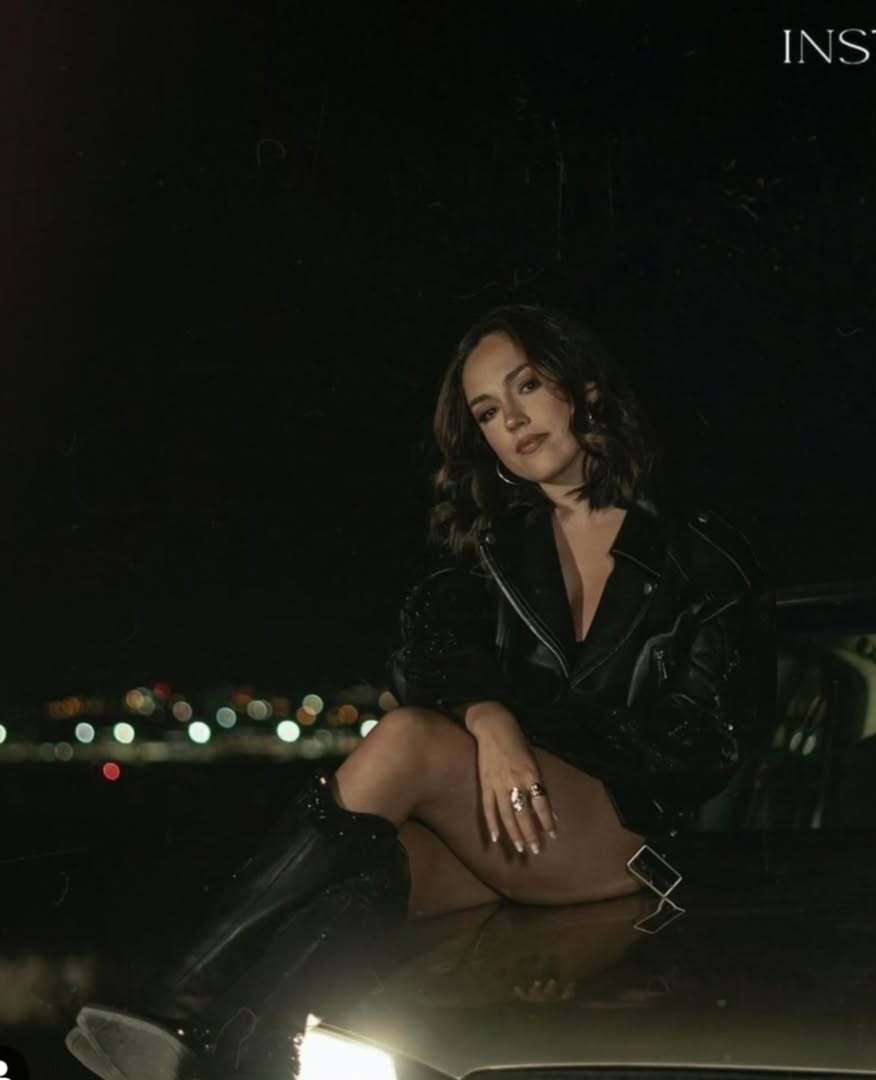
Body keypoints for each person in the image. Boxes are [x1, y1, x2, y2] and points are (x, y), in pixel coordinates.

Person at [69, 303, 770, 1079]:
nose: (513, 420)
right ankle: (236, 1054)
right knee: (365, 873)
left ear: (587, 390)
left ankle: (181, 1003)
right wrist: (492, 721)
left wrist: (530, 742)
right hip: (527, 830)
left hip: (637, 842)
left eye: (527, 385)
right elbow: (425, 657)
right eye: (488, 412)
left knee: (405, 740)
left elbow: (702, 746)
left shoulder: (699, 554)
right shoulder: (499, 547)